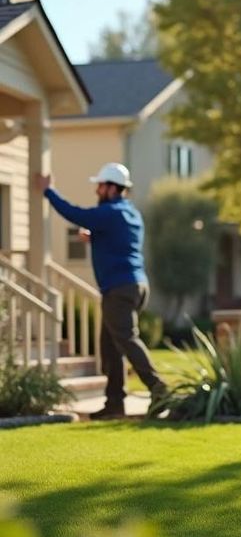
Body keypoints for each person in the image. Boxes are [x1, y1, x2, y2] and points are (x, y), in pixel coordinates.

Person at [35, 163, 168, 420]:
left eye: (100, 185)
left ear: (110, 188)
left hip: (119, 288)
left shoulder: (109, 212)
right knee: (110, 347)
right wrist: (95, 238)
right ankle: (115, 403)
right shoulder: (130, 213)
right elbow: (119, 242)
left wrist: (48, 191)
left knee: (127, 340)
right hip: (136, 285)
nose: (97, 190)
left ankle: (159, 389)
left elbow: (74, 214)